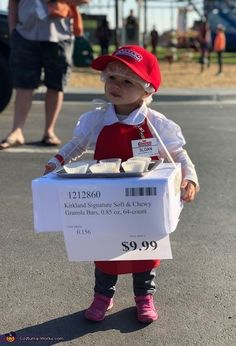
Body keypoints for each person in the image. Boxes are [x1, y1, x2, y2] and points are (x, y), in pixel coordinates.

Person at [44, 45, 199, 323]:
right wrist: (58, 160)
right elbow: (77, 145)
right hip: (107, 201)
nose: (116, 86)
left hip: (143, 204)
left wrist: (189, 177)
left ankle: (144, 296)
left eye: (128, 81)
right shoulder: (98, 119)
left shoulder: (155, 124)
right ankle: (103, 296)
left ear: (147, 90)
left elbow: (177, 153)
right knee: (105, 251)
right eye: (112, 77)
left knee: (144, 252)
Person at [0, 0, 86, 150]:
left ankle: (49, 131)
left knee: (56, 85)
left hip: (60, 35)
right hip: (25, 34)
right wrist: (13, 29)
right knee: (23, 84)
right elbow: (13, 2)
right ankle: (17, 131)